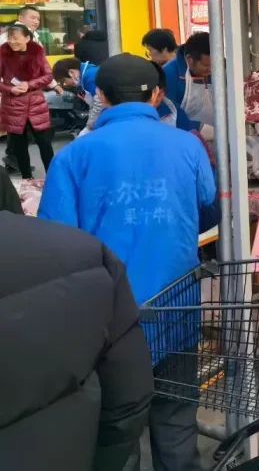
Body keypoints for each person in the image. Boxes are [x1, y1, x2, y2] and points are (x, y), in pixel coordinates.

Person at [38, 53, 218, 471]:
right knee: (176, 417)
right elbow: (208, 208)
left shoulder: (74, 156)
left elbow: (56, 242)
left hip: (108, 318)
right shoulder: (186, 145)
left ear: (100, 95)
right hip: (176, 305)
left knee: (118, 431)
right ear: (156, 95)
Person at [0, 214, 153, 471]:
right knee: (176, 420)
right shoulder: (85, 253)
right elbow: (129, 397)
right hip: (75, 450)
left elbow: (57, 212)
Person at [0, 23, 54, 178]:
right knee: (19, 146)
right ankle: (27, 178)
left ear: (27, 38)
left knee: (45, 143)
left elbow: (48, 76)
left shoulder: (37, 52)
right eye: (10, 38)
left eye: (16, 38)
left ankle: (53, 176)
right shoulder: (3, 53)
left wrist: (29, 84)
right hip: (13, 105)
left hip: (36, 104)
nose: (12, 41)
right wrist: (10, 89)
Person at [160, 31, 214, 141]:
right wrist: (198, 128)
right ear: (190, 60)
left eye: (215, 64)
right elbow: (169, 115)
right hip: (184, 139)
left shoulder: (221, 69)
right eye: (206, 65)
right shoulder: (169, 74)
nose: (211, 69)